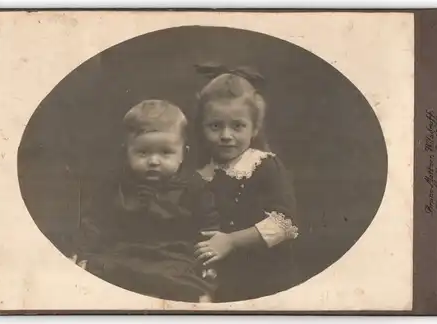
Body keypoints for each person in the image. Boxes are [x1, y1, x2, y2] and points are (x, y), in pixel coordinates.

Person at [69, 99, 219, 303]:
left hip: (173, 257)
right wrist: (83, 252)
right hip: (125, 253)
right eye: (143, 152)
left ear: (184, 153)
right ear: (126, 152)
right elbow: (96, 221)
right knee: (100, 277)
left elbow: (207, 228)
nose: (154, 161)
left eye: (166, 152)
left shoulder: (195, 187)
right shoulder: (116, 184)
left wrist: (209, 264)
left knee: (185, 287)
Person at [193, 63, 300, 302]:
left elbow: (284, 224)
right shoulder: (201, 172)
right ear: (202, 127)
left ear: (254, 128)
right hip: (215, 275)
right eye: (215, 126)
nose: (226, 135)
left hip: (263, 274)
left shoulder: (264, 166)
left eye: (238, 126)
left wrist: (231, 240)